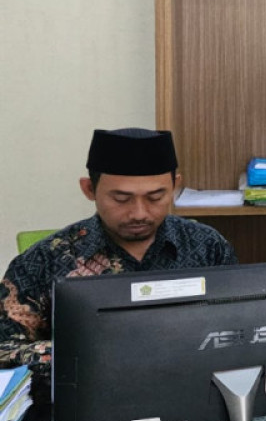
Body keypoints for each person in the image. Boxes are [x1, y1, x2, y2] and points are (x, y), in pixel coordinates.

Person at [0, 128, 237, 401]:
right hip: (83, 401)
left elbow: (237, 327)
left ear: (175, 186)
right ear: (89, 189)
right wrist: (84, 353)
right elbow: (5, 349)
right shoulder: (44, 260)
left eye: (155, 197)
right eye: (121, 199)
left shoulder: (207, 247)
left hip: (190, 396)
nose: (139, 213)